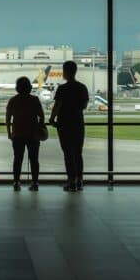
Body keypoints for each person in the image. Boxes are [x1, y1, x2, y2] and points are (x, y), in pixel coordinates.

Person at [49, 60, 89, 192]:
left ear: (65, 72)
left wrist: (52, 118)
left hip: (64, 124)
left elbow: (57, 106)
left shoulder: (62, 88)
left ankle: (71, 181)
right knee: (78, 153)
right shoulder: (82, 87)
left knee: (67, 154)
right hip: (77, 123)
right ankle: (80, 180)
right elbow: (84, 106)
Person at [6, 76, 46, 192]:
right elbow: (42, 116)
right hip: (33, 134)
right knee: (34, 160)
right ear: (29, 87)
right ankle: (35, 183)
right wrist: (39, 127)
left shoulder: (13, 100)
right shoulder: (34, 100)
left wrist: (9, 133)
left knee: (17, 159)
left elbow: (8, 119)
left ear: (17, 87)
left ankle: (16, 182)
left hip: (17, 134)